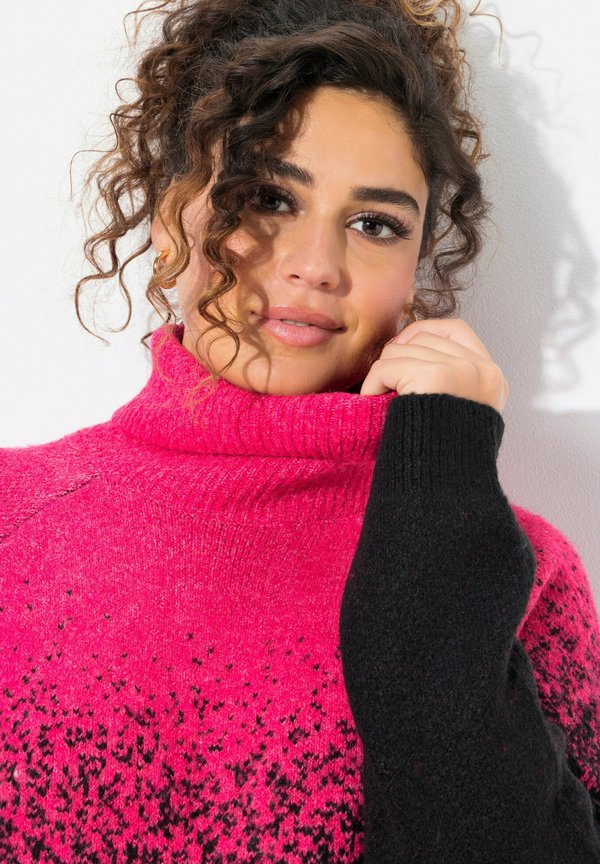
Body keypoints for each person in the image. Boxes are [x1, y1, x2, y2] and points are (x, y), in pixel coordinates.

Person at [1, 0, 599, 861]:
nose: (316, 266)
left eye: (374, 224)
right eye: (267, 198)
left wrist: (445, 467)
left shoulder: (516, 569)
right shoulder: (14, 512)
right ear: (170, 222)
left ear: (415, 268)